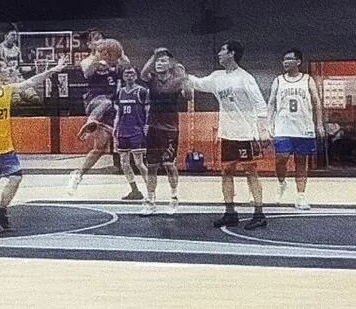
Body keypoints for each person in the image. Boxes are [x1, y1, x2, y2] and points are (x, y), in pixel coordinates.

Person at [0, 56, 66, 235]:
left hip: (6, 147)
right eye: (5, 68)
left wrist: (52, 70)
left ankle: (0, 211)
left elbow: (30, 83)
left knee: (16, 178)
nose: (9, 70)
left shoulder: (7, 90)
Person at [188, 40, 269, 230]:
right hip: (227, 133)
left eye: (222, 50)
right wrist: (181, 74)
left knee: (250, 172)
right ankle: (230, 212)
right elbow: (198, 83)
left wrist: (263, 131)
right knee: (226, 172)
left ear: (231, 54)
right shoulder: (217, 77)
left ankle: (259, 214)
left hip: (246, 133)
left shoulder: (245, 78)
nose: (219, 53)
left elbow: (260, 104)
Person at [67, 38, 128, 195]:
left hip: (111, 108)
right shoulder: (88, 60)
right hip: (94, 101)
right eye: (96, 40)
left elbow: (127, 64)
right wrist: (97, 59)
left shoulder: (115, 60)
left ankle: (78, 175)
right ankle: (90, 123)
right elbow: (87, 72)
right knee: (105, 102)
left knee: (99, 148)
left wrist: (119, 51)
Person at [267, 49, 324, 210]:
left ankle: (301, 196)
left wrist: (319, 124)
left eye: (289, 59)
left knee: (301, 162)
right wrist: (269, 124)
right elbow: (271, 103)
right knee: (281, 158)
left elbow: (316, 102)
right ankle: (281, 183)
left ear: (298, 61)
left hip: (303, 127)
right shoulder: (278, 80)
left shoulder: (308, 80)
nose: (285, 62)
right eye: (284, 59)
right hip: (283, 127)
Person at [139, 48, 190, 215]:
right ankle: (150, 200)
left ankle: (174, 198)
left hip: (170, 129)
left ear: (170, 64)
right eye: (158, 61)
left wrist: (185, 78)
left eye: (163, 61)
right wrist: (154, 55)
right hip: (153, 128)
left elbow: (189, 96)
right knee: (152, 166)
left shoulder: (177, 80)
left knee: (169, 165)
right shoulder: (152, 79)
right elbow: (143, 73)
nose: (159, 63)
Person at [114, 66, 150, 200]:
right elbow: (118, 112)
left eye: (132, 74)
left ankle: (150, 190)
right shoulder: (120, 92)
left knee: (139, 163)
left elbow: (148, 111)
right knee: (124, 162)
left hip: (137, 131)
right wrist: (115, 127)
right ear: (123, 76)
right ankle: (135, 191)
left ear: (136, 76)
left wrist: (147, 126)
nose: (129, 76)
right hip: (123, 131)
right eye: (127, 74)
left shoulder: (142, 91)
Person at [0, 27, 40, 105]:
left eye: (15, 35)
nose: (14, 37)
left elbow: (20, 67)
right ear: (6, 36)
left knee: (35, 98)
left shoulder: (17, 49)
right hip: (6, 81)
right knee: (16, 101)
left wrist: (32, 67)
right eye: (12, 35)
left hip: (18, 78)